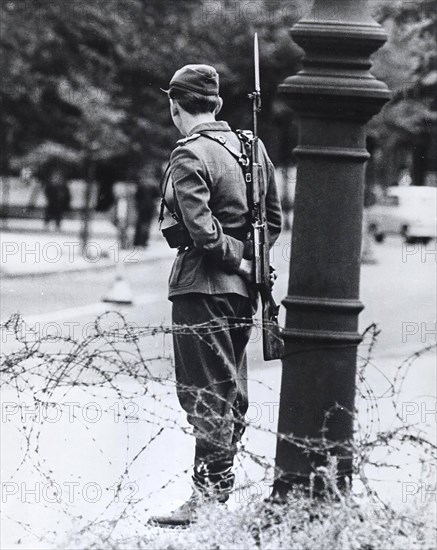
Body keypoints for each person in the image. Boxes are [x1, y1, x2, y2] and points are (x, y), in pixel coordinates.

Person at [151, 64, 282, 526]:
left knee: (203, 392)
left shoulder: (189, 154)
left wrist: (235, 258)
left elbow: (199, 230)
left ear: (174, 105)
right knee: (229, 390)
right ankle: (216, 489)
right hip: (243, 293)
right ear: (218, 105)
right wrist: (250, 263)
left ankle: (207, 498)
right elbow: (274, 219)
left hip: (202, 287)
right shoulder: (251, 146)